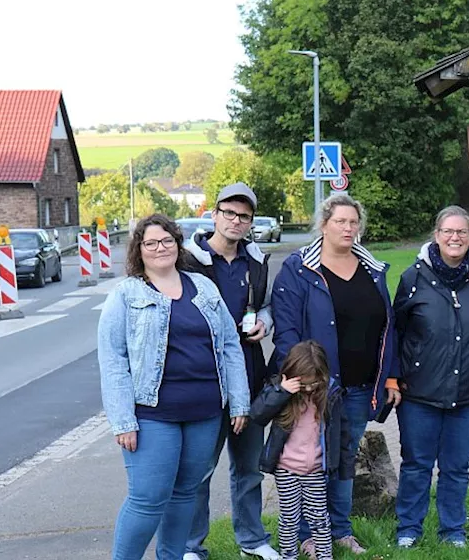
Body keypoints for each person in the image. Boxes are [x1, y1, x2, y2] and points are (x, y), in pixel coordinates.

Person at [97, 214, 250, 560]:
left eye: (167, 241)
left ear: (177, 244)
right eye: (150, 243)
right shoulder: (126, 294)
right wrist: (123, 421)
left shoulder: (203, 286)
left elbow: (229, 344)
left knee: (185, 493)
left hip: (205, 412)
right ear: (139, 250)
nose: (160, 248)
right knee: (148, 498)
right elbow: (113, 360)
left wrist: (239, 401)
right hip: (153, 415)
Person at [272, 193, 400, 557]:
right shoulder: (299, 269)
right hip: (315, 388)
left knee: (343, 460)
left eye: (353, 222)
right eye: (340, 221)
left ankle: (339, 530)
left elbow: (388, 328)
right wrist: (300, 382)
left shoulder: (372, 270)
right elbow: (286, 332)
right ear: (324, 224)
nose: (348, 228)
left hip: (359, 388)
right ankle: (307, 536)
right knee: (311, 461)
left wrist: (389, 376)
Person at [392, 206, 469, 548]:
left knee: (456, 468)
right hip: (419, 393)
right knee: (416, 465)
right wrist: (396, 377)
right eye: (448, 232)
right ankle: (409, 529)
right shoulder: (413, 278)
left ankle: (452, 531)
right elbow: (397, 332)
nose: (454, 238)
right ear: (436, 235)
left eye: (461, 232)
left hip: (467, 393)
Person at [183, 183, 278, 560]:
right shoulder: (187, 260)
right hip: (204, 380)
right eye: (230, 213)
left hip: (251, 375)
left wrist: (265, 324)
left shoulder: (256, 261)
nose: (236, 221)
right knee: (200, 470)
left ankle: (252, 541)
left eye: (244, 216)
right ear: (214, 215)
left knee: (249, 468)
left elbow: (267, 305)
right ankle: (191, 547)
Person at [250, 341, 351, 560]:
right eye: (302, 384)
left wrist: (344, 465)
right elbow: (257, 415)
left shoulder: (330, 395)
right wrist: (282, 392)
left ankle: (325, 556)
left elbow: (342, 434)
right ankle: (288, 556)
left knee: (319, 518)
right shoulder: (281, 392)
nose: (307, 390)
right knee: (289, 518)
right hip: (286, 469)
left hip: (315, 470)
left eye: (313, 384)